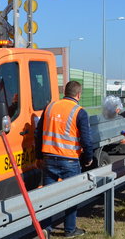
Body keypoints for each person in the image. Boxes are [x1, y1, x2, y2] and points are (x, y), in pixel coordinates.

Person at [36, 80, 92, 238]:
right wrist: (88, 158)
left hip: (48, 158)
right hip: (69, 160)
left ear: (65, 92)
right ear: (79, 94)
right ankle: (69, 230)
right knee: (71, 195)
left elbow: (38, 133)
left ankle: (46, 229)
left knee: (48, 197)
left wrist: (38, 156)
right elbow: (87, 140)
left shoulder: (50, 107)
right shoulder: (79, 112)